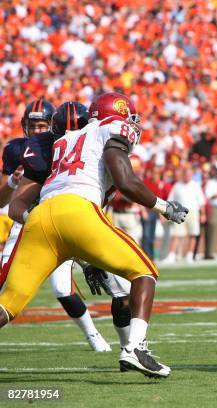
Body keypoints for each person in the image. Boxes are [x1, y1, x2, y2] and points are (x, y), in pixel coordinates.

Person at [0, 92, 189, 378]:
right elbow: (125, 180)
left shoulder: (61, 140)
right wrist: (164, 206)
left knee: (9, 304)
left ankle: (130, 347)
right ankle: (135, 348)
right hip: (78, 212)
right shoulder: (108, 129)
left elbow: (20, 205)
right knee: (144, 272)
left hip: (40, 220)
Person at [0, 98, 111, 352]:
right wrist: (13, 184)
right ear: (24, 126)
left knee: (62, 287)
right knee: (3, 272)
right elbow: (2, 201)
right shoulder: (18, 149)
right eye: (33, 125)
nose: (38, 131)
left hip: (60, 220)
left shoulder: (65, 145)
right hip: (26, 218)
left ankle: (93, 335)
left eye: (42, 126)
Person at [161, 166, 206, 263]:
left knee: (193, 234)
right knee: (176, 234)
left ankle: (189, 256)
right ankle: (171, 256)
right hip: (180, 212)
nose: (187, 176)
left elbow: (201, 201)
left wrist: (203, 214)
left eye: (189, 174)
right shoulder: (177, 185)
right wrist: (165, 213)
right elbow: (170, 200)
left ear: (191, 175)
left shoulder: (195, 185)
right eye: (185, 174)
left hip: (193, 212)